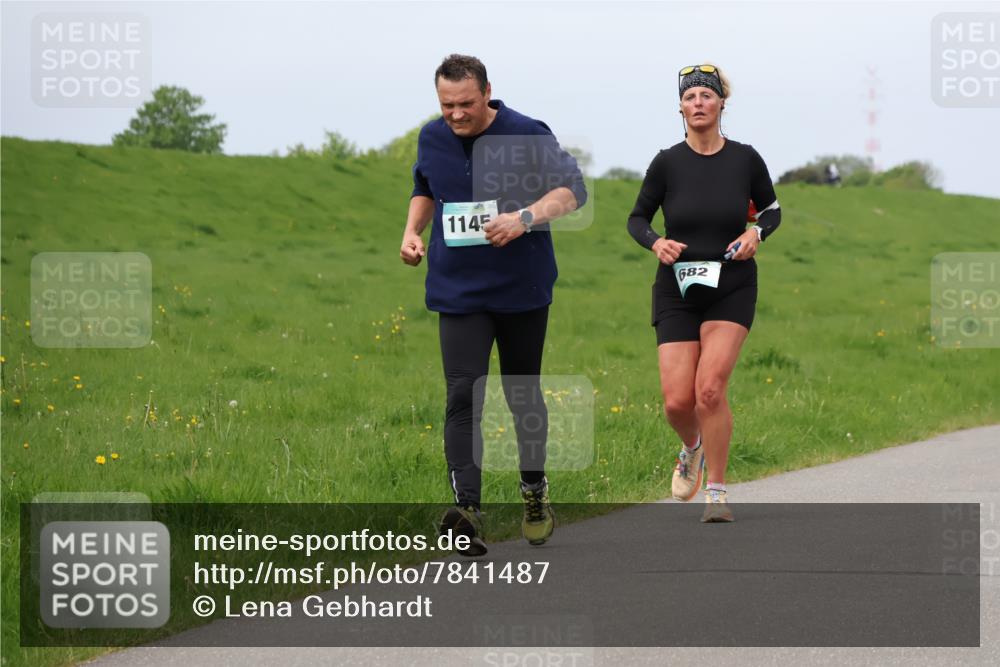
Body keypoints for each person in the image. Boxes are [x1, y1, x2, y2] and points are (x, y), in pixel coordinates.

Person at [400, 54, 587, 554]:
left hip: (520, 288)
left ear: (487, 93)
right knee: (464, 395)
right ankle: (468, 513)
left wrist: (525, 217)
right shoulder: (431, 137)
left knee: (521, 393)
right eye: (446, 105)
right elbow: (424, 188)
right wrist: (412, 232)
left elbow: (574, 191)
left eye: (465, 104)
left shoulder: (526, 133)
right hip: (458, 289)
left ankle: (533, 492)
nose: (456, 115)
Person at [626, 64, 781, 522]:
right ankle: (690, 448)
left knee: (709, 391)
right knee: (678, 401)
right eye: (690, 96)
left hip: (731, 285)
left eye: (706, 96)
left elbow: (771, 210)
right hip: (676, 288)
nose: (698, 103)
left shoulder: (745, 159)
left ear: (720, 105)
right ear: (680, 107)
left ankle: (716, 491)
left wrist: (757, 234)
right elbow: (637, 218)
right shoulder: (667, 162)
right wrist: (656, 242)